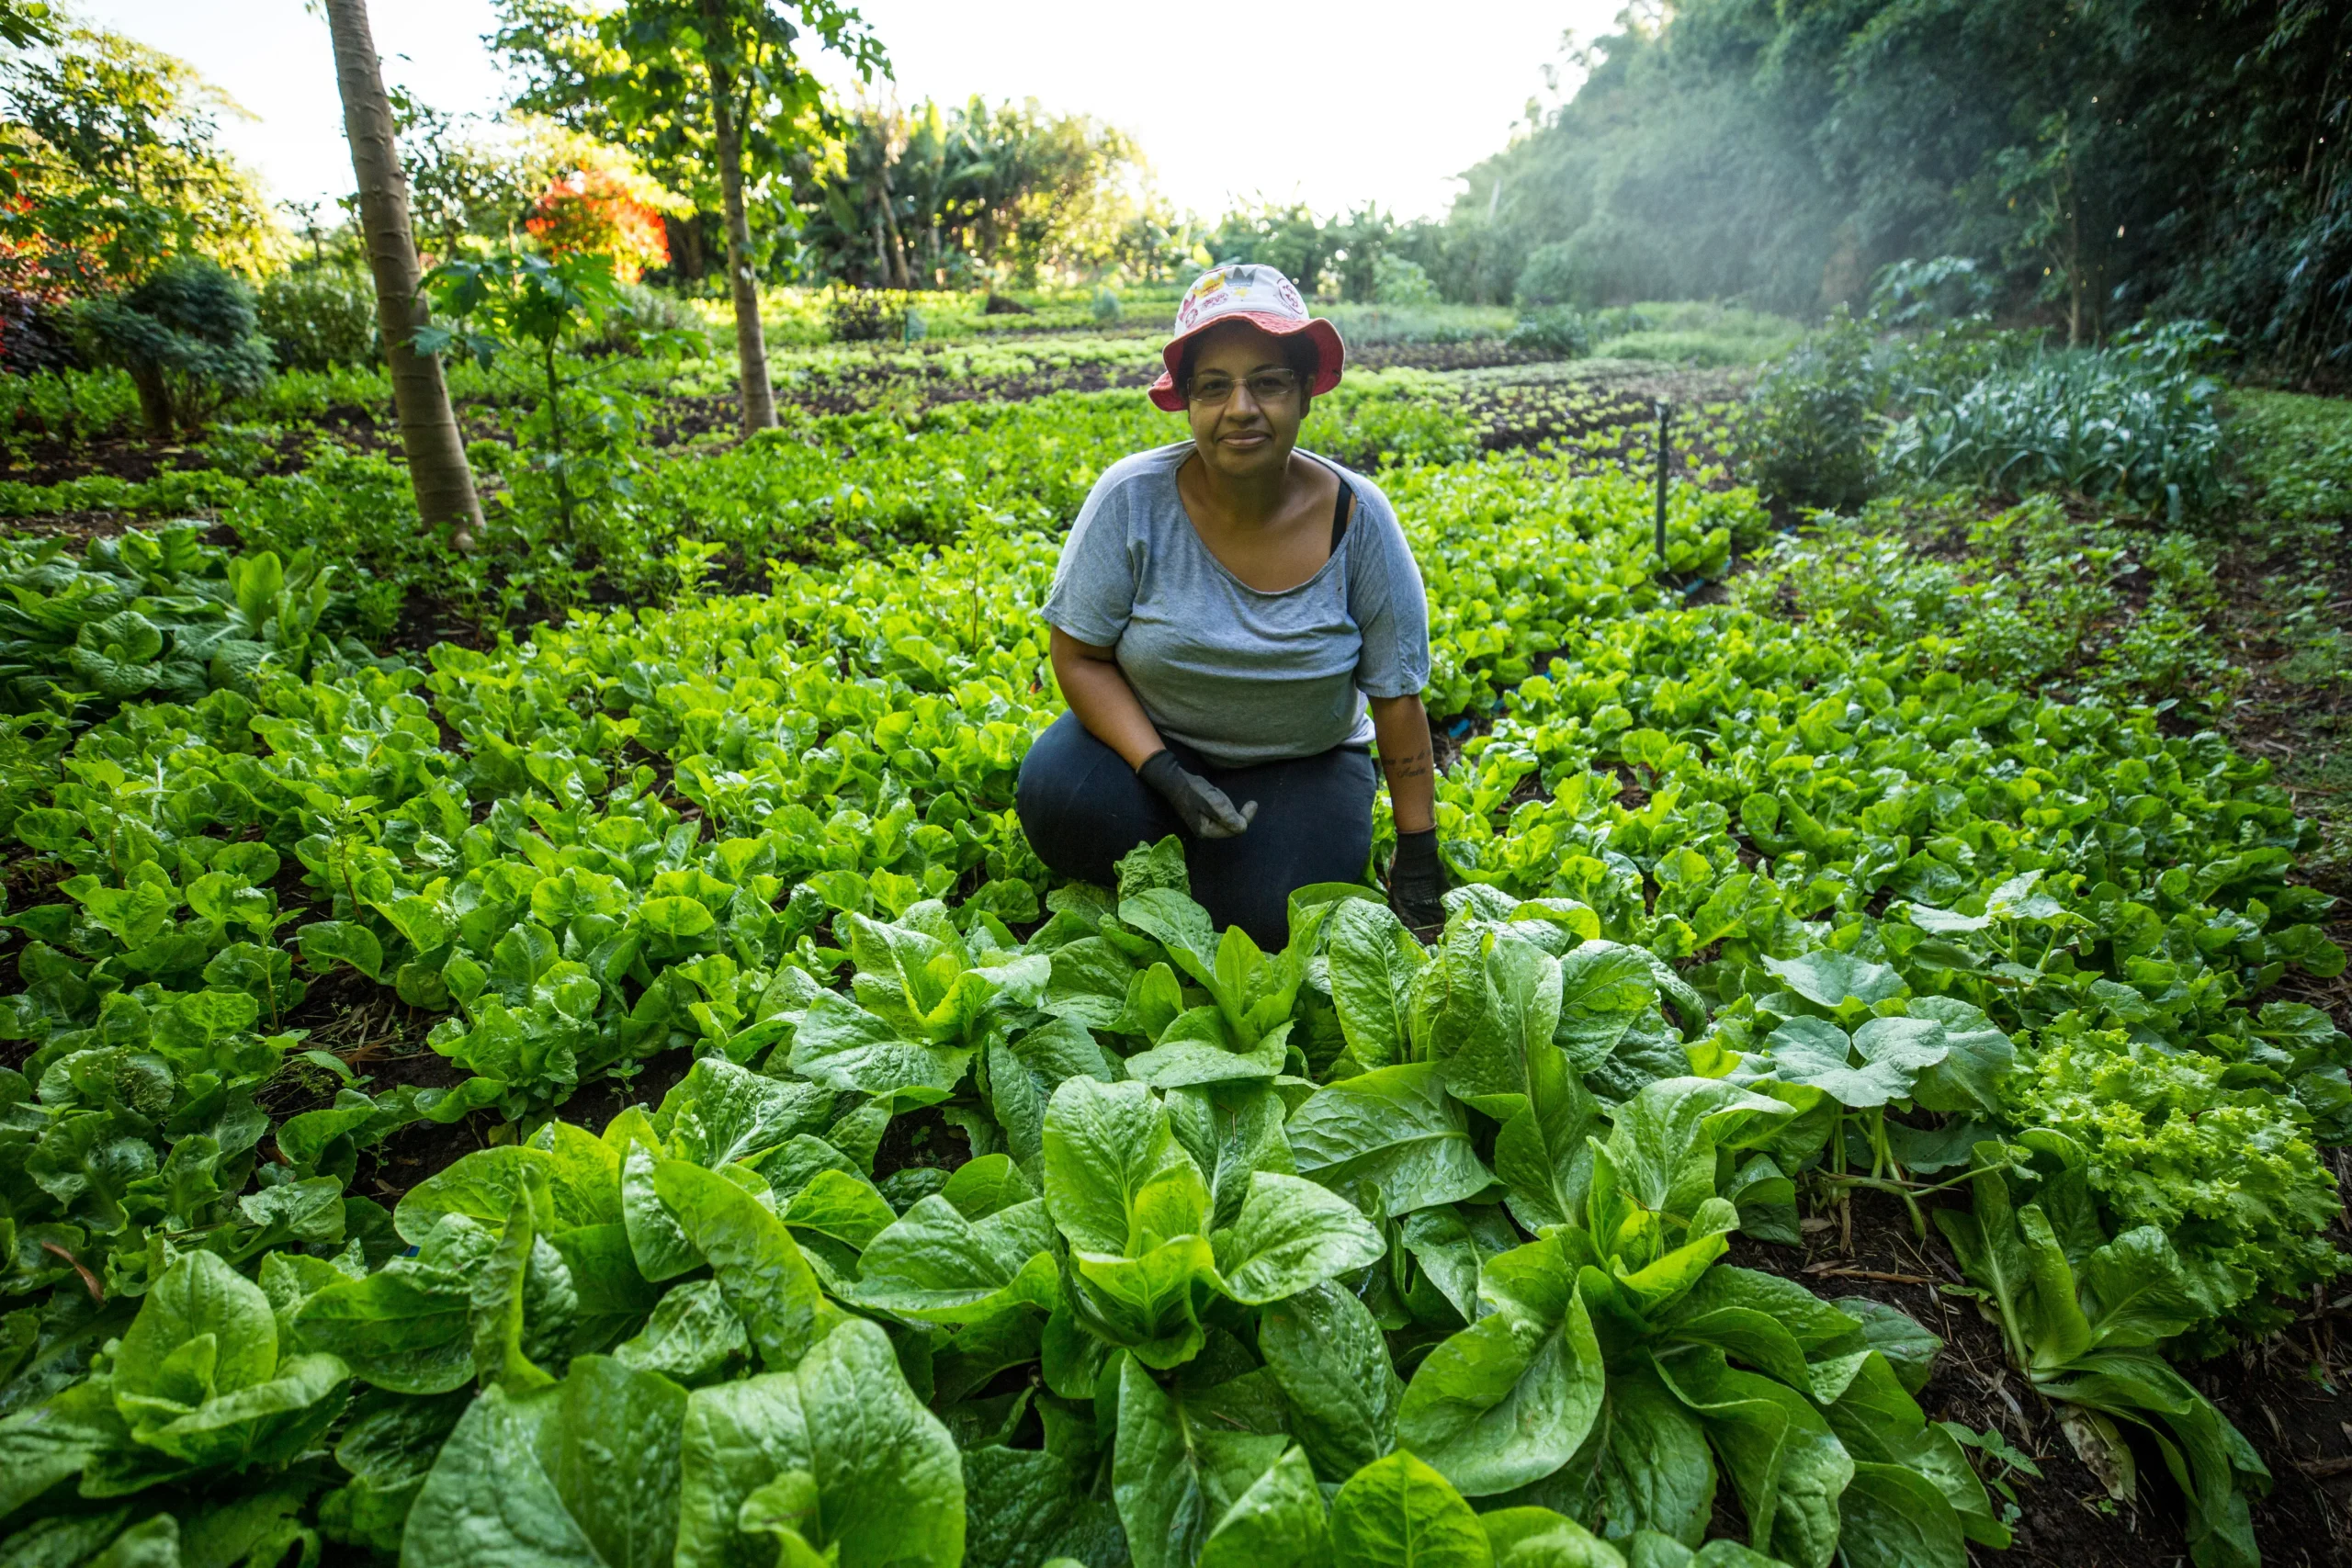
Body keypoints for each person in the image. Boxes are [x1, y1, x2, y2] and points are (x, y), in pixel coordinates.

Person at [1014, 263, 1447, 949]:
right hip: (1157, 748)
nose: (1241, 408)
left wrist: (1417, 854)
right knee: (1058, 800)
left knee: (1277, 917)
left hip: (1305, 759)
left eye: (1268, 382)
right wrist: (1165, 773)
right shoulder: (1131, 499)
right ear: (1186, 402)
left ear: (1305, 392)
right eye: (1214, 386)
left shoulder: (1359, 518)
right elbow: (1080, 657)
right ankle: (1194, 853)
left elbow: (1396, 697)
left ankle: (1229, 869)